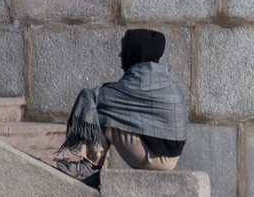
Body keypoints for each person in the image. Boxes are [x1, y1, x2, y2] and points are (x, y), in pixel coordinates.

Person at [52, 28, 188, 184]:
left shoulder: (139, 80)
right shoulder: (167, 83)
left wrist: (88, 94)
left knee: (99, 110)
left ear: (134, 52)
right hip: (172, 156)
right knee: (109, 109)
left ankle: (90, 168)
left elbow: (97, 97)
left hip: (154, 157)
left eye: (124, 49)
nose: (120, 55)